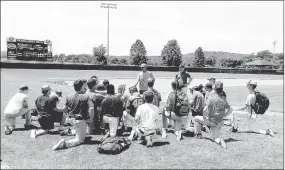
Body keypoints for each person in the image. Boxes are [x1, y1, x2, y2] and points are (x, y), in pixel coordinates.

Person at [194, 81, 233, 148]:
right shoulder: (223, 100)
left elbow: (204, 110)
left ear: (214, 89)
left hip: (211, 121)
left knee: (196, 118)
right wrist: (224, 115)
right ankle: (220, 140)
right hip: (219, 122)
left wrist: (204, 118)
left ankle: (199, 134)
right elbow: (230, 110)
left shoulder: (211, 99)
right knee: (215, 137)